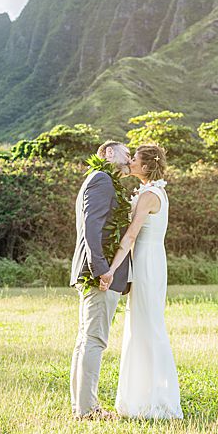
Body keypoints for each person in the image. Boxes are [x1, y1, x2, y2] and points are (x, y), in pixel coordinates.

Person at [101, 144, 183, 419]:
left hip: (147, 262)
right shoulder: (153, 191)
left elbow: (132, 235)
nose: (130, 161)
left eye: (134, 159)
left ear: (147, 166)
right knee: (141, 326)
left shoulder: (149, 195)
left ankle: (158, 400)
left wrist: (112, 268)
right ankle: (139, 397)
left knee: (148, 327)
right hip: (149, 260)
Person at [69, 140, 133, 419]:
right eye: (127, 154)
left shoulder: (102, 180)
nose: (130, 160)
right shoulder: (101, 179)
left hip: (99, 270)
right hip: (100, 273)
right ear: (108, 153)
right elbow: (90, 227)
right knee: (94, 340)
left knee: (86, 340)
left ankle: (81, 406)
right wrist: (101, 270)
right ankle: (87, 410)